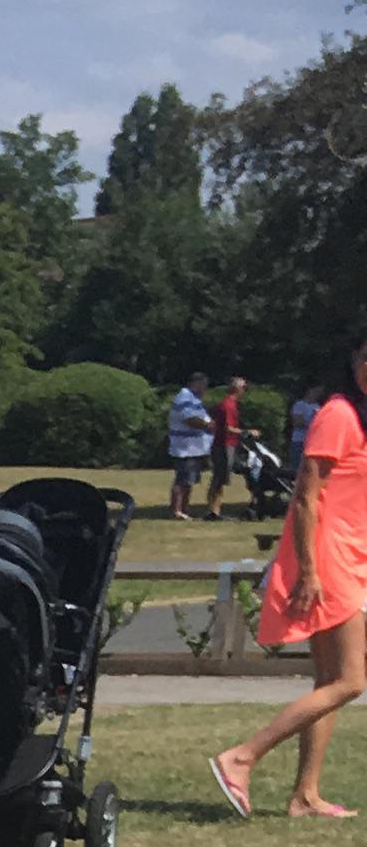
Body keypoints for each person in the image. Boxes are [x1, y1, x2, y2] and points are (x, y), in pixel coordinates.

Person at [214, 325, 367, 820]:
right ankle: (242, 757)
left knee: (329, 679)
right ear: (353, 360)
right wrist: (309, 570)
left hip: (352, 554)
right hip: (328, 555)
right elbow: (305, 497)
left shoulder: (360, 417)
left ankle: (305, 795)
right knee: (351, 680)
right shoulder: (338, 414)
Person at [166, 377, 211, 523]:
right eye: (203, 385)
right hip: (186, 448)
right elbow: (190, 419)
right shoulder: (184, 398)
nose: (204, 389)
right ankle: (176, 510)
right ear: (195, 383)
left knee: (189, 481)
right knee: (182, 481)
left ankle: (184, 509)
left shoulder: (193, 399)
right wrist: (209, 426)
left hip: (194, 448)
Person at [206, 372, 246, 522]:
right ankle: (213, 511)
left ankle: (216, 510)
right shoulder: (227, 405)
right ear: (237, 389)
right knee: (219, 478)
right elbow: (228, 428)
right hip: (223, 445)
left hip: (228, 444)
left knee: (221, 479)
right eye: (243, 388)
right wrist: (247, 432)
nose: (244, 391)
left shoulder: (231, 404)